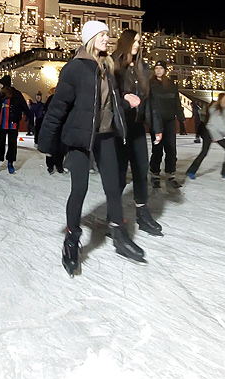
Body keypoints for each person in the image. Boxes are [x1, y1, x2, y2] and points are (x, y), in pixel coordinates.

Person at [40, 21, 143, 276]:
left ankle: (119, 235)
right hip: (80, 138)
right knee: (80, 189)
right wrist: (47, 141)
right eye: (103, 35)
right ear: (91, 38)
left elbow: (111, 103)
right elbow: (58, 107)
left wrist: (126, 103)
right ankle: (72, 240)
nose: (108, 39)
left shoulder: (107, 68)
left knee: (113, 187)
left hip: (105, 135)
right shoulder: (75, 68)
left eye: (108, 35)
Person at [112, 29, 163, 236]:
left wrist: (156, 127)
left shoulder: (143, 68)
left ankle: (142, 214)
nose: (137, 44)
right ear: (125, 42)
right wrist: (124, 99)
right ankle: (113, 215)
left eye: (139, 41)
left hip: (138, 128)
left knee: (142, 171)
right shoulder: (114, 66)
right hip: (120, 128)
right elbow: (110, 97)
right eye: (134, 41)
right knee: (119, 174)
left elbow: (150, 100)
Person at [186, 92, 225, 180]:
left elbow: (223, 126)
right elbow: (221, 126)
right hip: (209, 132)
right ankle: (191, 171)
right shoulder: (216, 110)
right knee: (204, 152)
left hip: (216, 133)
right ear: (222, 99)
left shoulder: (224, 110)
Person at [148, 61, 182, 188]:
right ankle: (155, 173)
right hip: (157, 121)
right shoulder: (151, 85)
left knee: (171, 148)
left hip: (169, 121)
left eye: (161, 68)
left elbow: (176, 101)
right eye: (156, 68)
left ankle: (170, 173)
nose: (158, 70)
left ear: (165, 70)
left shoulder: (171, 85)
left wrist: (180, 116)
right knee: (157, 148)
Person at [0, 75, 31, 174]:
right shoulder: (0, 94)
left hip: (13, 123)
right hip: (2, 122)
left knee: (12, 143)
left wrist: (29, 117)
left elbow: (23, 106)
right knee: (0, 143)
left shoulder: (17, 94)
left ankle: (10, 162)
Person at [43, 89, 66, 175]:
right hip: (52, 125)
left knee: (60, 147)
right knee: (51, 146)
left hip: (61, 125)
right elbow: (46, 110)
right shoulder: (51, 99)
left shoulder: (65, 99)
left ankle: (59, 165)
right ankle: (50, 165)